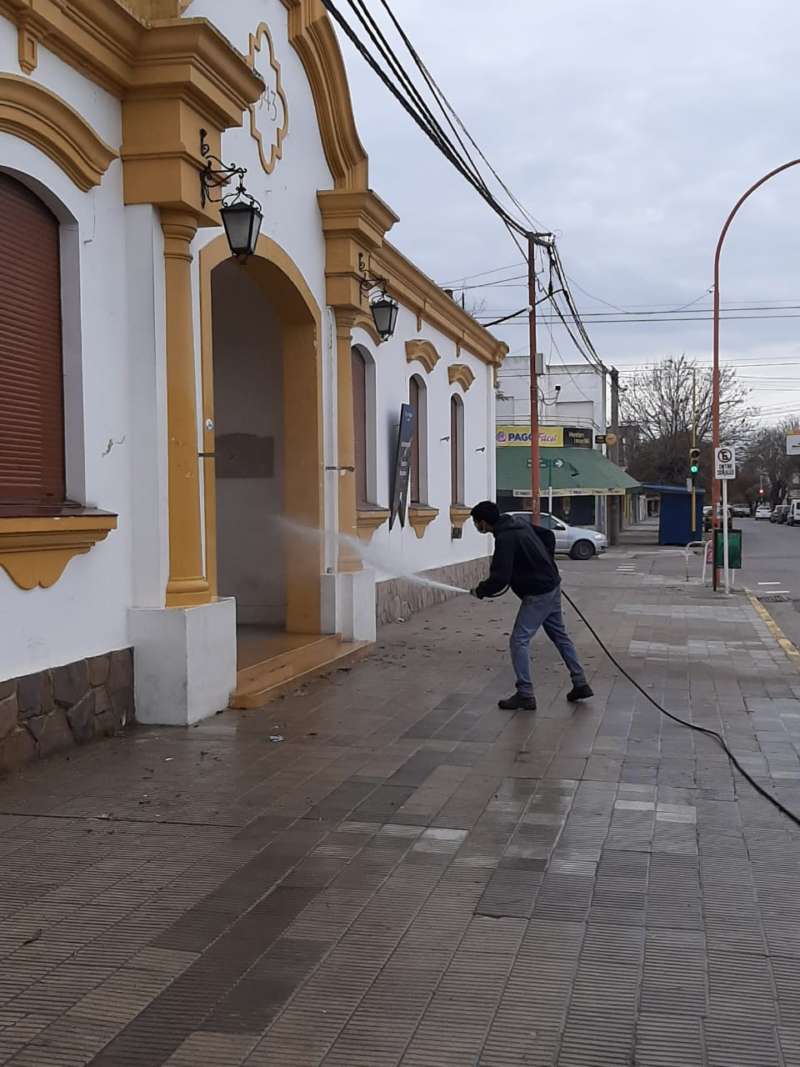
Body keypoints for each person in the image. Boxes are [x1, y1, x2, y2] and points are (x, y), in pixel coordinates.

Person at [470, 501, 593, 711]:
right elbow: (548, 536)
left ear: (483, 522)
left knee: (519, 640)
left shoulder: (505, 537)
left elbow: (499, 578)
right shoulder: (517, 523)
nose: (476, 527)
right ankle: (580, 682)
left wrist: (480, 590)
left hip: (538, 593)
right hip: (551, 585)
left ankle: (525, 693)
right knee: (559, 635)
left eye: (475, 523)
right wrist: (546, 564)